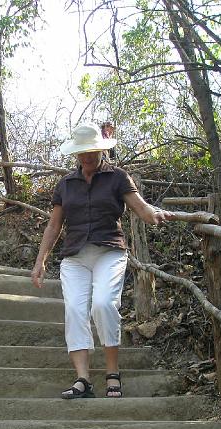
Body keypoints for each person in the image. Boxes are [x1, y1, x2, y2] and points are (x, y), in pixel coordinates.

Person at [30, 123, 172, 399]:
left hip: (109, 252)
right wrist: (40, 261)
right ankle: (83, 380)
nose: (87, 157)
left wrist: (154, 215)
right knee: (74, 309)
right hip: (75, 258)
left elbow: (140, 207)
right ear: (76, 154)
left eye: (92, 151)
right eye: (82, 152)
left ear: (101, 150)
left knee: (104, 303)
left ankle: (112, 373)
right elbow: (54, 226)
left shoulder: (117, 177)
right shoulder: (66, 184)